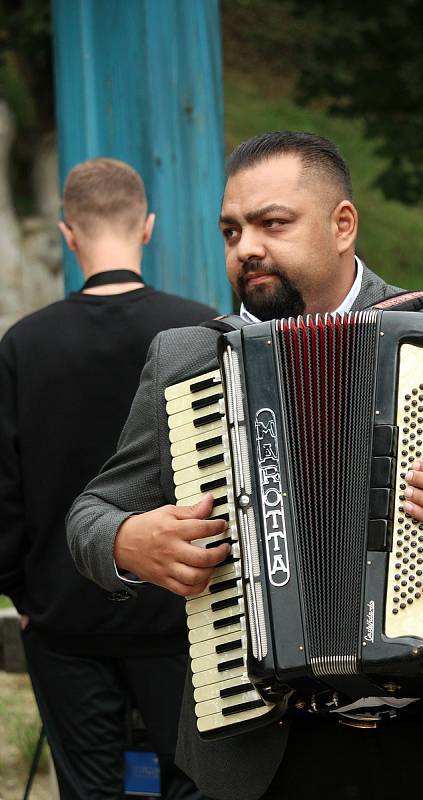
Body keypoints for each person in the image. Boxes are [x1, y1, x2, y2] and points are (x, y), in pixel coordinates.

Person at [66, 135, 423, 800]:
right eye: (231, 229)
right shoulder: (190, 361)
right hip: (268, 748)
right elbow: (91, 513)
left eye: (272, 223)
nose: (246, 245)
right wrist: (125, 542)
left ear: (342, 225)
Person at [0, 157, 218, 800]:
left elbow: (4, 497)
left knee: (90, 790)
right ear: (147, 226)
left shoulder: (23, 344)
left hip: (62, 622)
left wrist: (23, 597)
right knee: (191, 784)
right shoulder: (197, 330)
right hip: (184, 613)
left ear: (68, 234)